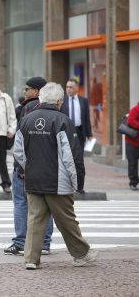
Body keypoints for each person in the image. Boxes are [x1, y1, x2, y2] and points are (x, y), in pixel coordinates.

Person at [14, 82, 98, 270]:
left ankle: (31, 259)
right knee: (67, 219)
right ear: (59, 101)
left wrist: (29, 166)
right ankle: (81, 253)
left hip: (33, 178)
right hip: (58, 181)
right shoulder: (62, 120)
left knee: (35, 219)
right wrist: (76, 181)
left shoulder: (27, 119)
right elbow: (69, 155)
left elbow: (18, 150)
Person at [4, 77, 54, 256]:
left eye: (27, 89)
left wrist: (22, 166)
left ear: (37, 91)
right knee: (46, 204)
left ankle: (20, 242)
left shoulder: (27, 108)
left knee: (21, 202)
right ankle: (45, 243)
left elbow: (22, 140)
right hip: (47, 166)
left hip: (27, 165)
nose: (25, 92)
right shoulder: (54, 109)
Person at [60, 78, 93, 152]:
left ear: (76, 88)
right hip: (66, 131)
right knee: (67, 154)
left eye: (71, 87)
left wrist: (89, 134)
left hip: (79, 131)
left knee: (79, 154)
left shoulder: (83, 101)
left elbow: (86, 118)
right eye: (67, 87)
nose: (68, 89)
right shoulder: (61, 100)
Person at [125, 102, 139, 191]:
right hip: (132, 141)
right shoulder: (136, 109)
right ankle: (133, 182)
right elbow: (130, 121)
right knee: (133, 163)